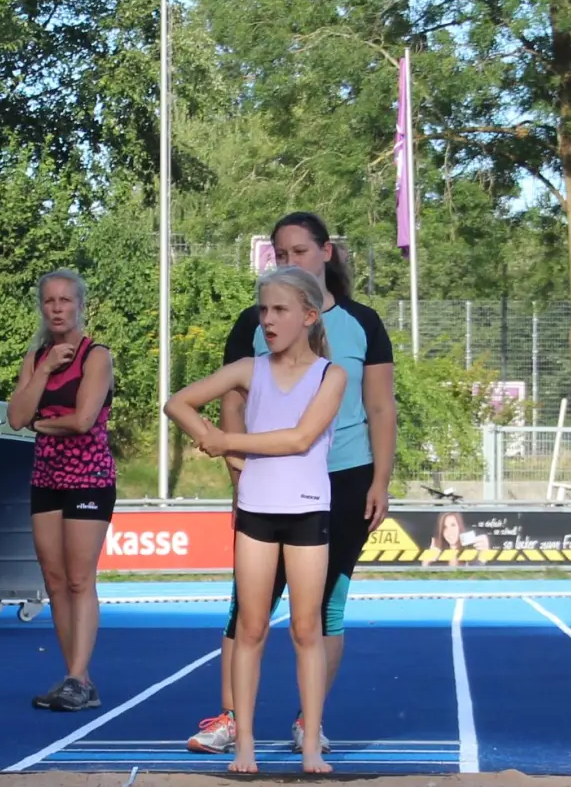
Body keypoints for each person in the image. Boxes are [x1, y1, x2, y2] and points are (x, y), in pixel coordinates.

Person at [185, 212, 397, 756]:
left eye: (299, 251)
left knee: (324, 610)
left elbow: (379, 406)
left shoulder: (363, 324)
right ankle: (232, 718)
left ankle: (309, 720)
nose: (289, 260)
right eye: (280, 253)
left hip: (344, 479)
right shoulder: (252, 325)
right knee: (247, 608)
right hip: (268, 479)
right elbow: (231, 399)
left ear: (326, 253)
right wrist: (235, 464)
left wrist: (381, 478)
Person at [164, 264, 346, 775]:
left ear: (309, 316)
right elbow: (177, 402)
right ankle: (244, 745)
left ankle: (310, 744)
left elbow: (299, 438)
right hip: (256, 513)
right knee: (251, 627)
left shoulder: (331, 375)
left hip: (308, 509)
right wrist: (217, 443)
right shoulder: (248, 368)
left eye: (280, 310)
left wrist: (228, 443)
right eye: (264, 309)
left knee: (308, 630)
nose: (268, 319)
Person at [5, 268, 115, 713]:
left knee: (78, 578)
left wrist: (43, 424)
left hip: (88, 474)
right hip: (46, 475)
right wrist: (46, 368)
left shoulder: (97, 356)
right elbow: (15, 418)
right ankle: (78, 678)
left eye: (65, 301)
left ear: (79, 305)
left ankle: (76, 675)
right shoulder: (35, 359)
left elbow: (83, 420)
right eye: (49, 301)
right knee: (53, 581)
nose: (57, 308)